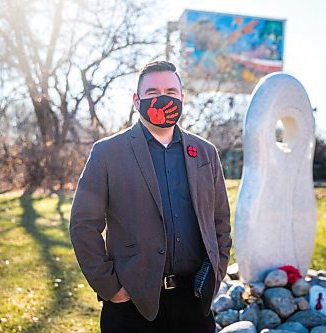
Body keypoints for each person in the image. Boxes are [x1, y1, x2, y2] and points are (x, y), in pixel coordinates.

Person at [69, 60, 232, 333]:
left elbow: (220, 220)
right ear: (137, 100)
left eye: (170, 91)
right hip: (131, 303)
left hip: (194, 300)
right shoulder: (107, 153)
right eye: (153, 93)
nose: (162, 99)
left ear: (182, 97)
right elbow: (83, 225)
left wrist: (217, 270)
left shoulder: (205, 153)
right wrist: (111, 287)